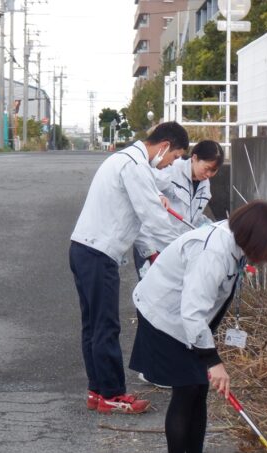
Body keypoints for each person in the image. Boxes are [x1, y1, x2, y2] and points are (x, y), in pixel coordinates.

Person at [129, 200, 267, 453]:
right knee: (187, 388)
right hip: (163, 315)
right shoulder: (213, 252)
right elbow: (192, 312)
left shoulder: (235, 246)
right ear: (256, 236)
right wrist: (212, 360)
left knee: (198, 390)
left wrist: (208, 355)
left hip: (186, 321)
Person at [69, 121, 190, 414]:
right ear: (164, 146)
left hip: (84, 249)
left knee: (94, 326)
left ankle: (97, 391)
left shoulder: (124, 160)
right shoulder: (135, 167)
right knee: (106, 325)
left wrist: (153, 252)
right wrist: (185, 252)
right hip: (98, 253)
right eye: (174, 157)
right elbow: (153, 218)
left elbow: (141, 220)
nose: (170, 164)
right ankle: (112, 394)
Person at [133, 140, 225, 280]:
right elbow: (142, 201)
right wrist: (150, 251)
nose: (209, 174)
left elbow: (194, 217)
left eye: (214, 171)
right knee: (149, 291)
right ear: (194, 158)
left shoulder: (205, 185)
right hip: (152, 245)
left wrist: (212, 228)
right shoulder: (171, 170)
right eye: (207, 168)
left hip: (174, 249)